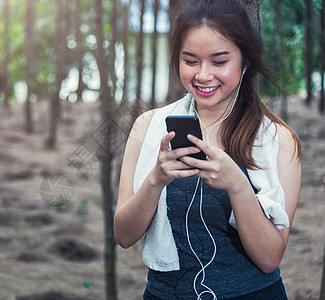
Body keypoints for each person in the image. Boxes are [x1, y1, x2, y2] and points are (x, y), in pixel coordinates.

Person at [114, 0, 301, 299]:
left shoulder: (278, 141)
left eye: (219, 61)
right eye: (190, 61)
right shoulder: (148, 127)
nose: (203, 75)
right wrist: (156, 179)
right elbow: (123, 236)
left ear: (245, 61)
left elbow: (270, 259)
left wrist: (238, 185)